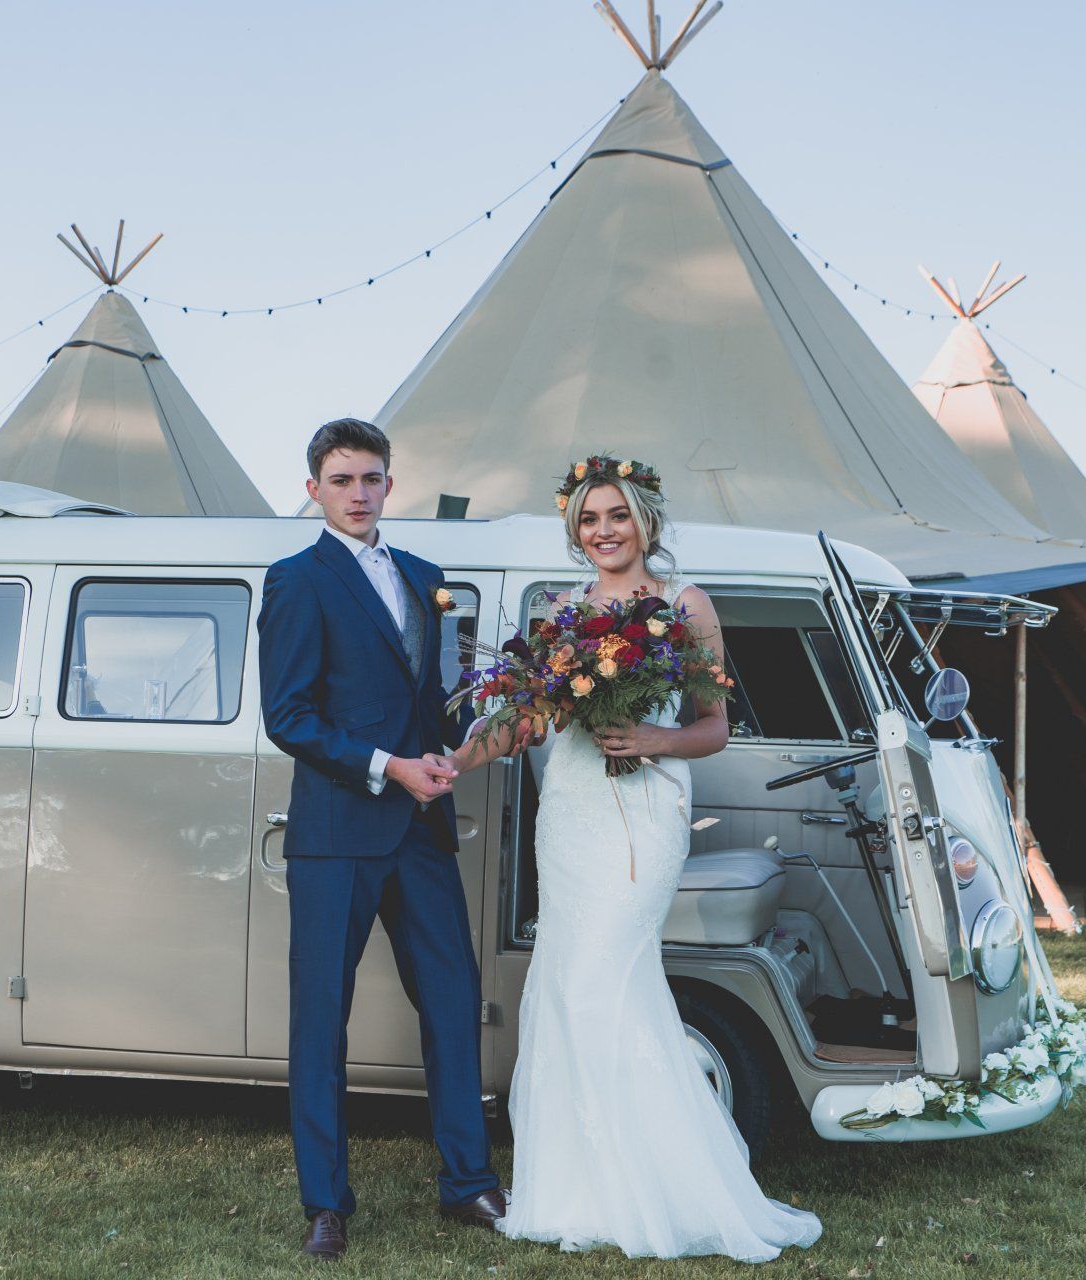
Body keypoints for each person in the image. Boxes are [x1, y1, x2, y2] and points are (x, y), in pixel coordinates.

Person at [495, 456, 823, 1262]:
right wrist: (477, 742)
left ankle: (658, 1185)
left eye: (617, 515)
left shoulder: (686, 605)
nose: (603, 531)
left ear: (645, 520)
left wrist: (654, 737)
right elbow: (534, 717)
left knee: (602, 978)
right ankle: (578, 1189)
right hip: (572, 809)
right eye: (588, 518)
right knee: (568, 983)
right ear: (574, 530)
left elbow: (714, 725)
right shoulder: (562, 612)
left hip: (643, 814)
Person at [256, 417, 529, 1261]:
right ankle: (326, 1204)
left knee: (451, 1001)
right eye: (341, 480)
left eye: (371, 478)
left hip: (419, 831)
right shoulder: (295, 579)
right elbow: (288, 716)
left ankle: (468, 1182)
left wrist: (477, 730)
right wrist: (388, 766)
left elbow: (427, 702)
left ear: (389, 483)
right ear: (314, 489)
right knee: (320, 1022)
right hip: (337, 833)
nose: (359, 493)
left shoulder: (422, 575)